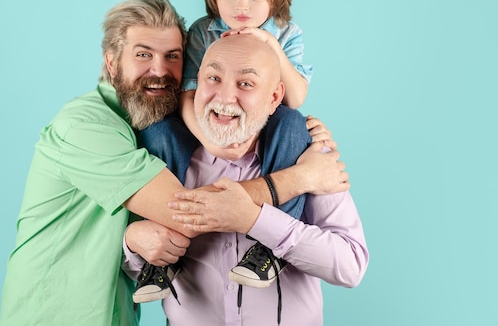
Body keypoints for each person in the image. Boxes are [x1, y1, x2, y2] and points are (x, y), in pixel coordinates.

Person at [0, 0, 348, 326]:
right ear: (110, 62)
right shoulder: (87, 127)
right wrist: (301, 179)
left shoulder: (160, 130)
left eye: (173, 56)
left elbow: (349, 262)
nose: (160, 70)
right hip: (52, 313)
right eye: (143, 55)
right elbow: (185, 211)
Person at [124, 34, 369, 326]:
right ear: (196, 84)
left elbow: (350, 266)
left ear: (275, 98)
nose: (225, 97)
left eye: (246, 84)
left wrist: (255, 220)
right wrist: (132, 244)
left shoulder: (308, 155)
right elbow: (128, 267)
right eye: (213, 78)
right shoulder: (162, 158)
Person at [135, 0, 318, 301]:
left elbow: (294, 97)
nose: (241, 6)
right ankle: (167, 241)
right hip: (203, 122)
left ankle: (270, 248)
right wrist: (209, 140)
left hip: (262, 122)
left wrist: (272, 48)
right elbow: (189, 93)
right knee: (159, 129)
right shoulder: (204, 31)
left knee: (293, 123)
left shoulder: (286, 34)